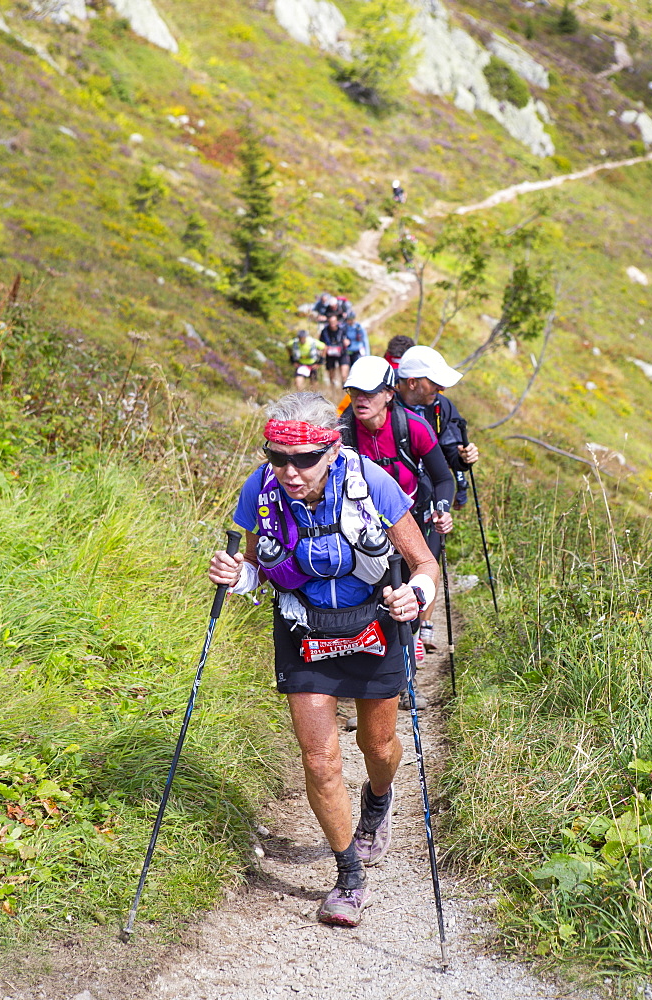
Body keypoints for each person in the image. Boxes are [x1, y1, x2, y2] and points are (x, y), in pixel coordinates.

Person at [208, 393, 439, 928]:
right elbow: (256, 568)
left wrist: (417, 596)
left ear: (331, 450)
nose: (290, 471)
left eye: (305, 459)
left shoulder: (372, 482)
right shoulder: (260, 491)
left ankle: (378, 800)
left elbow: (422, 562)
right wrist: (233, 575)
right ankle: (349, 876)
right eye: (278, 457)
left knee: (377, 745)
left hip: (374, 623)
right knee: (319, 759)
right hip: (303, 627)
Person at [340, 356, 454, 709]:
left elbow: (443, 478)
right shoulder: (343, 433)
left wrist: (443, 509)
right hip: (365, 532)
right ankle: (370, 688)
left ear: (389, 393)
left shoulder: (413, 427)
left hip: (417, 523)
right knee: (372, 606)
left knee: (409, 604)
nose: (361, 398)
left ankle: (406, 682)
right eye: (355, 391)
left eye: (369, 392)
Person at [396, 346, 479, 652]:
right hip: (386, 511)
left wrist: (464, 458)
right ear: (414, 382)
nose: (441, 388)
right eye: (434, 382)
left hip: (428, 505)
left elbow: (448, 459)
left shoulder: (440, 407)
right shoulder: (383, 410)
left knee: (423, 570)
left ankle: (413, 638)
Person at [320, 313, 350, 390]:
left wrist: (347, 342)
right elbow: (321, 343)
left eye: (333, 322)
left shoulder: (342, 330)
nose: (332, 324)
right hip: (330, 355)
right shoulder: (324, 331)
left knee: (344, 374)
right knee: (331, 375)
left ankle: (344, 389)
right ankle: (333, 390)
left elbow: (349, 340)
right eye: (330, 322)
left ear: (337, 322)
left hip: (342, 353)